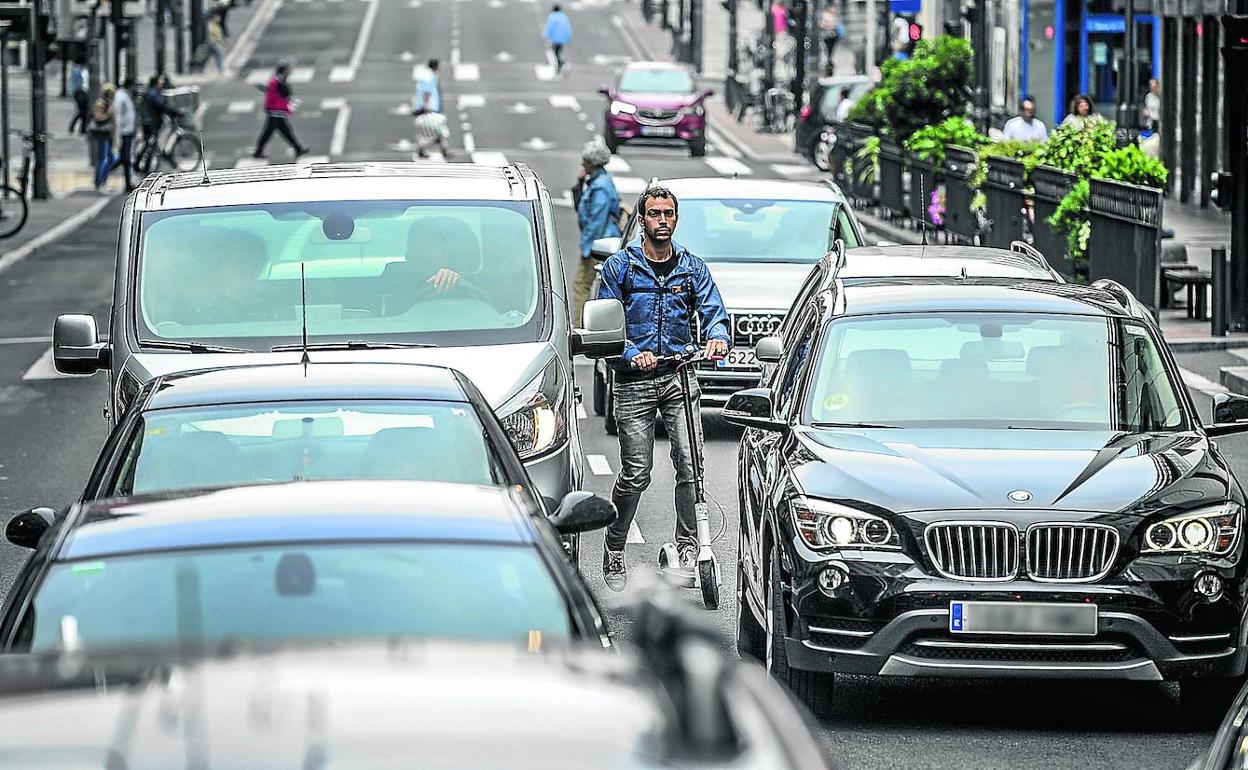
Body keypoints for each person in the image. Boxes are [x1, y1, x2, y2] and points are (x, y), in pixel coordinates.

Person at [595, 186, 731, 591]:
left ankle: (689, 547)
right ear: (642, 220)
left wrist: (717, 337)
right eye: (654, 214)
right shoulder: (620, 269)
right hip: (634, 382)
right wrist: (631, 352)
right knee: (637, 474)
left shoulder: (692, 268)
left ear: (676, 218)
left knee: (692, 465)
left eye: (669, 213)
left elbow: (714, 311)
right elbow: (606, 327)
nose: (663, 221)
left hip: (679, 376)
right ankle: (614, 545)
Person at [572, 140, 621, 325]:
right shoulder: (598, 181)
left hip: (600, 244)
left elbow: (596, 222)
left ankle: (578, 325)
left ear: (591, 163)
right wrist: (579, 186)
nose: (582, 163)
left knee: (581, 285)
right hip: (602, 242)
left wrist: (587, 249)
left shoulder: (600, 187)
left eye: (585, 160)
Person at [253, 61, 309, 159]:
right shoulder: (280, 81)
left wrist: (261, 87)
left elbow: (271, 91)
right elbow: (286, 92)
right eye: (288, 71)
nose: (289, 73)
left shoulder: (275, 80)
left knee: (282, 131)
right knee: (273, 132)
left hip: (275, 110)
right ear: (284, 71)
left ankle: (298, 149)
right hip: (276, 110)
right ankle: (298, 149)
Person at [137, 74, 183, 168]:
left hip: (150, 121)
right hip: (151, 122)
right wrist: (176, 112)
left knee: (151, 142)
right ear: (156, 83)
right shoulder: (153, 94)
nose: (161, 85)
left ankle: (145, 165)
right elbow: (162, 105)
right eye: (160, 83)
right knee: (151, 142)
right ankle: (140, 163)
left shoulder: (151, 92)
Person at [412, 58, 453, 159]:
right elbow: (427, 92)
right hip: (429, 108)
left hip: (428, 107)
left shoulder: (427, 75)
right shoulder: (429, 76)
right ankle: (443, 150)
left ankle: (442, 149)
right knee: (437, 128)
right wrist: (427, 106)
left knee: (432, 129)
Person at [110, 77, 137, 192]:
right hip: (123, 132)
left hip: (127, 131)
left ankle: (127, 182)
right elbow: (118, 116)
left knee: (125, 158)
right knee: (125, 158)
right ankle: (108, 172)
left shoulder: (125, 96)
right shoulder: (120, 96)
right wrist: (118, 134)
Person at [88, 84, 116, 191]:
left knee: (110, 158)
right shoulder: (101, 104)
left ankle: (103, 179)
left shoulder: (107, 104)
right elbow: (98, 117)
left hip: (107, 135)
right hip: (102, 135)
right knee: (103, 159)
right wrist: (109, 114)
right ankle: (99, 181)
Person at [543, 4, 572, 76]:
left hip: (555, 38)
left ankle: (561, 65)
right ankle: (561, 65)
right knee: (558, 52)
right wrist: (569, 37)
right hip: (563, 38)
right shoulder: (564, 17)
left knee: (555, 53)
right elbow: (568, 27)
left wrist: (545, 35)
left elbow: (549, 27)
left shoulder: (552, 16)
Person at [818, 5, 842, 72]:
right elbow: (821, 24)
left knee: (830, 50)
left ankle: (829, 62)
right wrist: (829, 25)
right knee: (827, 49)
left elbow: (836, 24)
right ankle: (828, 62)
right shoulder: (824, 15)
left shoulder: (834, 16)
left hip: (833, 36)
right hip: (826, 35)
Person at [68, 59, 89, 134]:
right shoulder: (79, 70)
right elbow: (80, 83)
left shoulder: (78, 70)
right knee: (82, 110)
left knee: (83, 110)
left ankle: (81, 128)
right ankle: (77, 127)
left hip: (79, 92)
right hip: (80, 92)